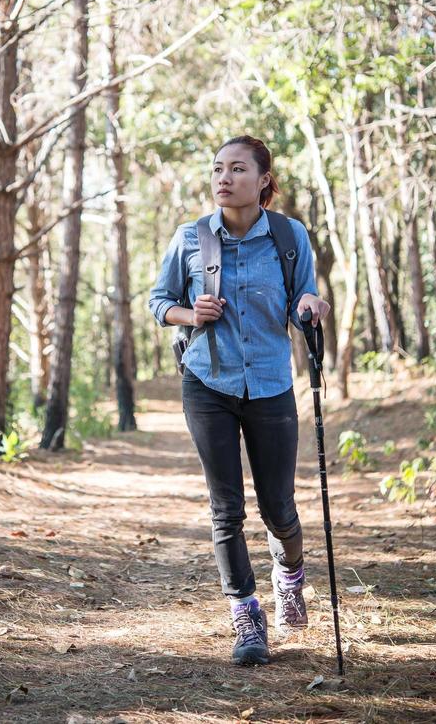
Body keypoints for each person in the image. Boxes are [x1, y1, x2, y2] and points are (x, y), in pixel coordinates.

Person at [148, 135, 330, 666]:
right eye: (217, 170)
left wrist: (311, 302)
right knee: (226, 507)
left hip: (272, 384)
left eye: (237, 169)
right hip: (208, 383)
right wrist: (189, 314)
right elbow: (158, 302)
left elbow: (302, 297)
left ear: (263, 181)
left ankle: (290, 575)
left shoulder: (288, 235)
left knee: (279, 508)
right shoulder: (191, 239)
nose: (223, 178)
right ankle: (246, 614)